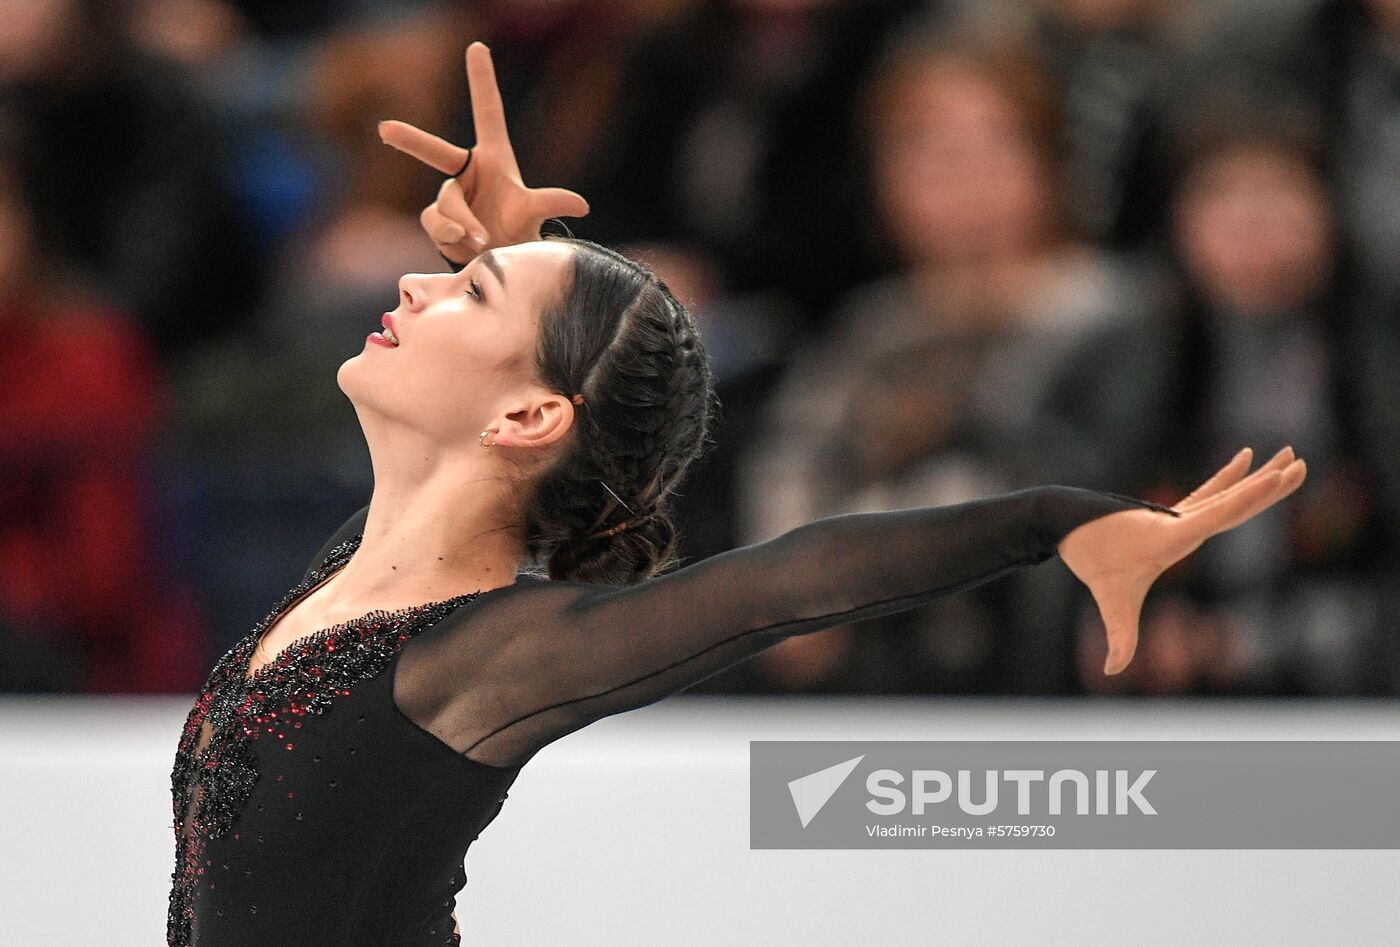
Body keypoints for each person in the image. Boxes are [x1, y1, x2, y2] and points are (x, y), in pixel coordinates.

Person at [167, 40, 1308, 947]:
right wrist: (528, 265)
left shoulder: (480, 656)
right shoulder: (358, 564)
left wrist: (1056, 520)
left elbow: (786, 582)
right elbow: (591, 375)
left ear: (526, 417)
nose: (414, 281)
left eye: (463, 298)